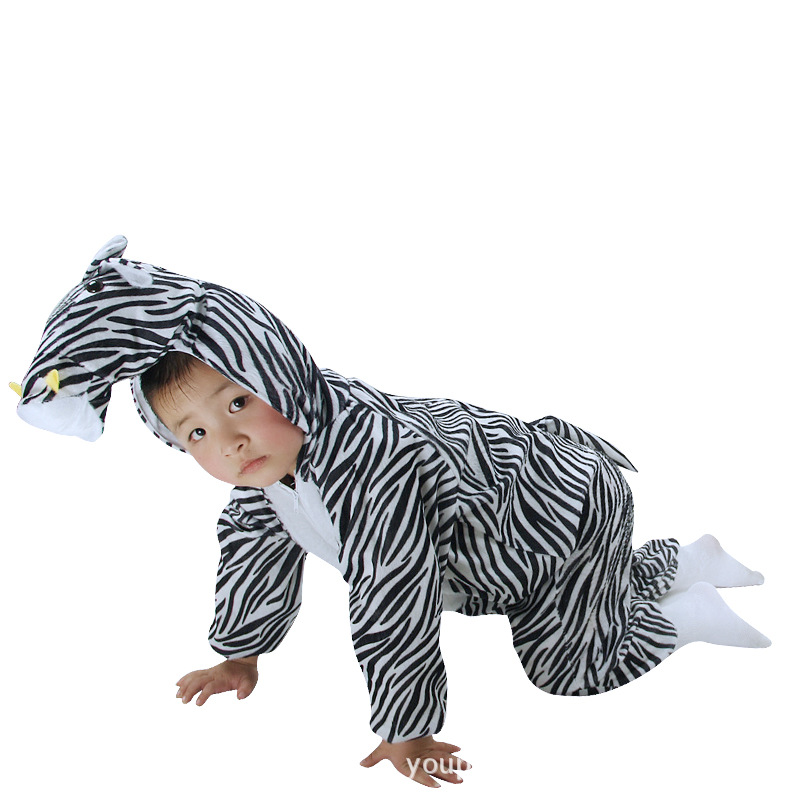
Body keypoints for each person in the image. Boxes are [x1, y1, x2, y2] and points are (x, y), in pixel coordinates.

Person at [12, 237, 770, 789]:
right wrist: (240, 654)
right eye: (197, 434)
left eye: (238, 403)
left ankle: (688, 614)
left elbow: (394, 591)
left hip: (557, 517)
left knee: (566, 666)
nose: (230, 441)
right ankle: (682, 559)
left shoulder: (370, 459)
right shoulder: (269, 471)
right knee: (580, 602)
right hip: (513, 530)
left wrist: (407, 727)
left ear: (277, 370)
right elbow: (253, 555)